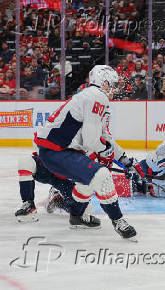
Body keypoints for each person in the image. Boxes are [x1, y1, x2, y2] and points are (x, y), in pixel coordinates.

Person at [31, 65, 137, 240]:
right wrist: (106, 152)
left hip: (57, 151)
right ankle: (118, 221)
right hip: (57, 152)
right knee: (102, 175)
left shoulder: (92, 97)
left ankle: (77, 216)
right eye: (112, 83)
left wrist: (124, 159)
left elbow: (104, 136)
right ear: (103, 82)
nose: (114, 88)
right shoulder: (96, 97)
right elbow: (91, 141)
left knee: (87, 181)